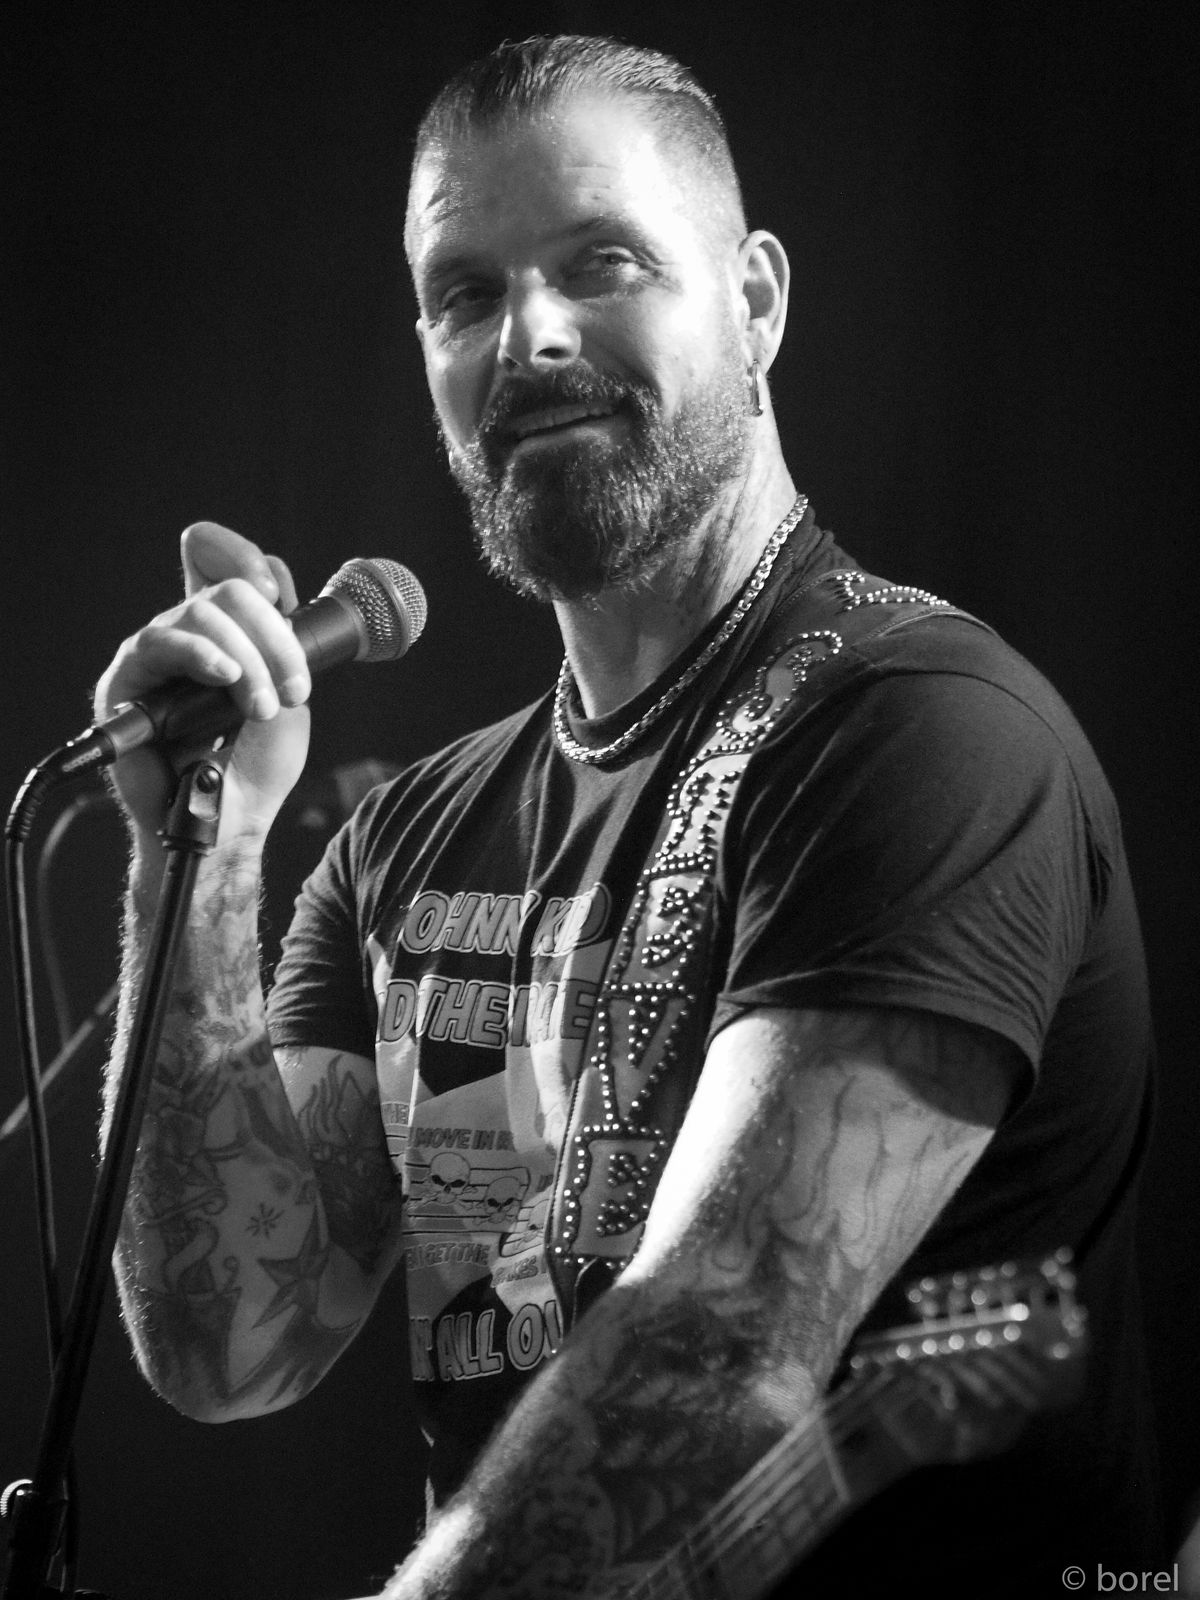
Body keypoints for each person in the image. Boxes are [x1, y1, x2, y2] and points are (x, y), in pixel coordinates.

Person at [95, 34, 1162, 1599]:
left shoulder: (921, 732)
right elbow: (231, 1342)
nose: (527, 335)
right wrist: (198, 849)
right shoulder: (407, 841)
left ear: (756, 300)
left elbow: (718, 1351)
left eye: (601, 262)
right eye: (464, 294)